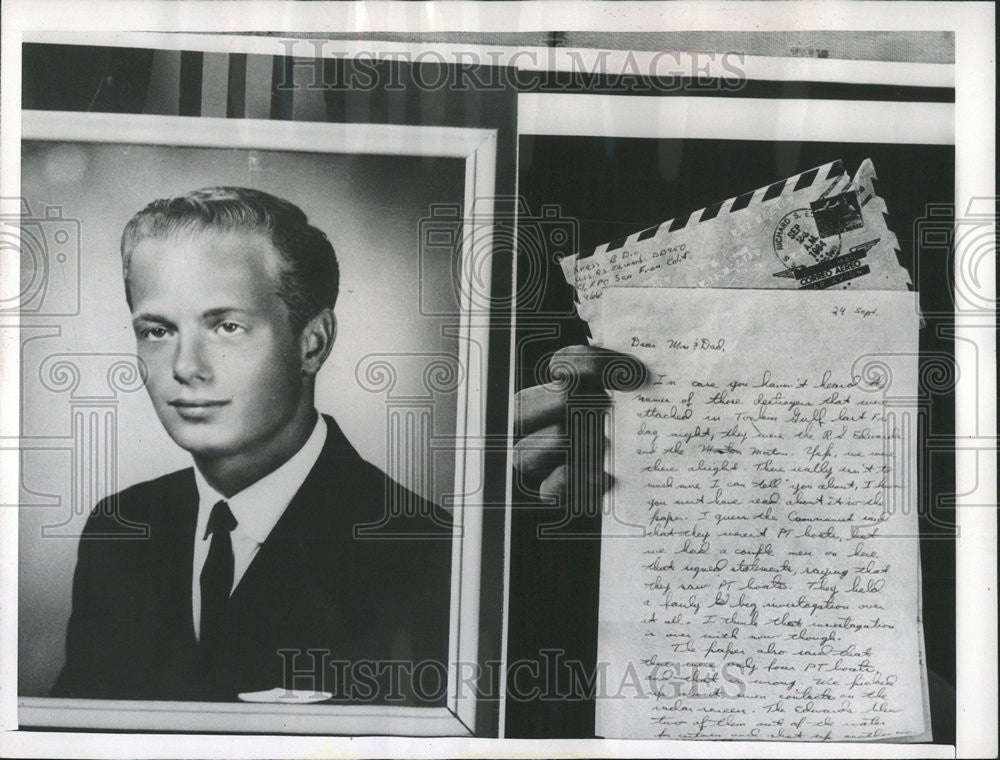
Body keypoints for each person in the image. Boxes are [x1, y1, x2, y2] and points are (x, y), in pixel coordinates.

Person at [53, 187, 452, 704]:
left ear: (313, 343)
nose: (184, 367)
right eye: (157, 331)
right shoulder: (123, 527)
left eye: (227, 326)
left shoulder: (423, 549)